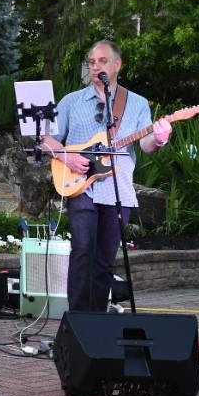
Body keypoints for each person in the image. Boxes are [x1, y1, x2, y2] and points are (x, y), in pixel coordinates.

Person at [41, 40, 172, 312]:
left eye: (102, 61)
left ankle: (97, 319)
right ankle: (77, 320)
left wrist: (159, 139)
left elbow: (146, 146)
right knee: (82, 250)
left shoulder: (136, 103)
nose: (95, 67)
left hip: (118, 190)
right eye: (91, 62)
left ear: (117, 64)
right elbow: (46, 140)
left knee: (104, 260)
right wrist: (66, 157)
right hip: (81, 187)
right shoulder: (72, 101)